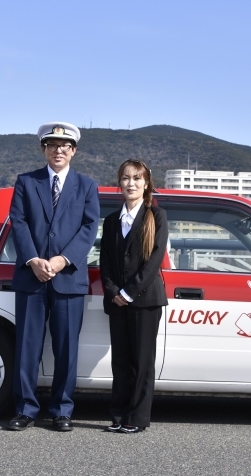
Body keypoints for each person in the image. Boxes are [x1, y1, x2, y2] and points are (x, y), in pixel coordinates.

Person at [7, 122, 100, 432]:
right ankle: (25, 409)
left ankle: (62, 410)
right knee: (27, 347)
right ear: (44, 149)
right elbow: (18, 223)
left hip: (68, 278)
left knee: (66, 348)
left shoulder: (86, 186)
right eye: (52, 145)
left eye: (65, 145)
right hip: (31, 277)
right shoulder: (26, 182)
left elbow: (89, 229)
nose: (58, 150)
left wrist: (61, 260)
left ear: (73, 151)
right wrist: (33, 259)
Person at [99, 159, 168, 433]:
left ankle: (137, 418)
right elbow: (104, 262)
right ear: (120, 183)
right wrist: (114, 291)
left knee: (142, 362)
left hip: (145, 301)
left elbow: (154, 260)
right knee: (121, 361)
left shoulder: (156, 217)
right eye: (126, 178)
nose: (131, 183)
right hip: (117, 303)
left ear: (146, 183)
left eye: (137, 179)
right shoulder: (112, 221)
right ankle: (118, 415)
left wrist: (128, 292)